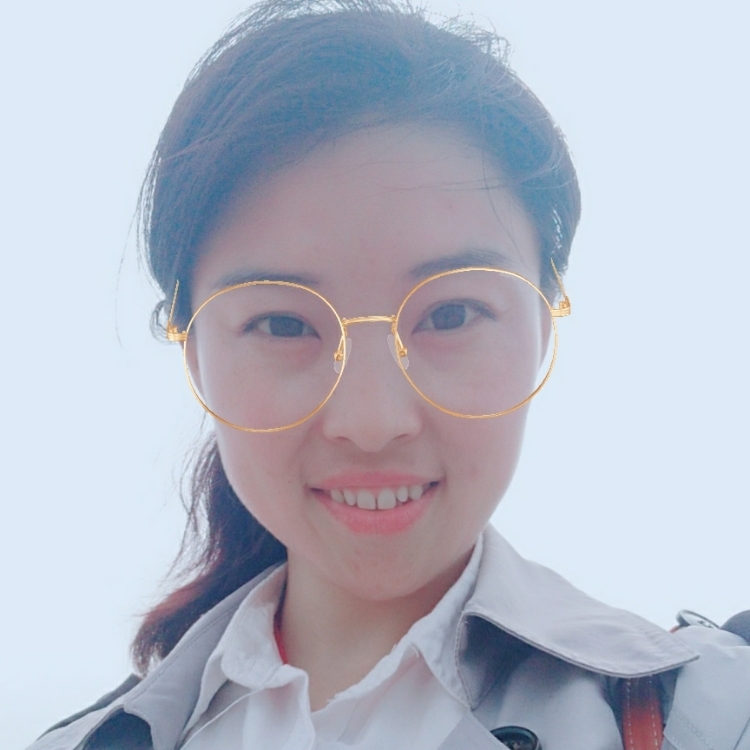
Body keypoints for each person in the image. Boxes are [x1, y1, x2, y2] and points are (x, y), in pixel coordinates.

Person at [29, 1, 750, 749]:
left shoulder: (715, 714)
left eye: (451, 314)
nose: (371, 421)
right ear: (195, 357)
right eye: (283, 325)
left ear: (541, 327)